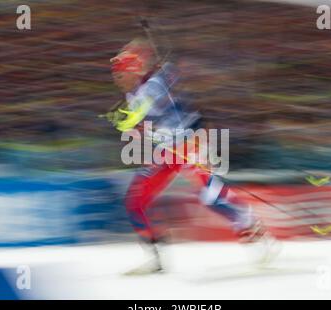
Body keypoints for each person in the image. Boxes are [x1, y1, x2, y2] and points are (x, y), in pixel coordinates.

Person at [107, 38, 272, 274]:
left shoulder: (151, 85)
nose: (116, 80)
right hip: (166, 150)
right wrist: (129, 125)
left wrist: (125, 121)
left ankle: (252, 229)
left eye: (119, 74)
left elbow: (140, 111)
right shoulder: (138, 93)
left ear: (132, 71)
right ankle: (155, 258)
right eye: (115, 75)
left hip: (188, 143)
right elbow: (137, 124)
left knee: (210, 197)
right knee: (136, 201)